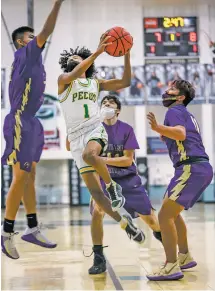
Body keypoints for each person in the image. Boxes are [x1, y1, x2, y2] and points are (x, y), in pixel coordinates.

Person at [60, 40, 145, 250]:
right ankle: (125, 223)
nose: (74, 60)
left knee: (91, 155)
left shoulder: (95, 83)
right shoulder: (64, 81)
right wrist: (97, 51)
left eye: (78, 58)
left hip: (94, 129)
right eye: (71, 59)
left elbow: (125, 81)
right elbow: (73, 73)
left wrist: (126, 54)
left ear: (87, 65)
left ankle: (112, 186)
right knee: (97, 197)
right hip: (76, 136)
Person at [1, 0, 66, 260]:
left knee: (30, 176)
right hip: (19, 120)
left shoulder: (34, 60)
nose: (37, 38)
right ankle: (6, 233)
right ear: (21, 42)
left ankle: (31, 227)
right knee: (20, 176)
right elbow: (47, 30)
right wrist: (57, 4)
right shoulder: (25, 54)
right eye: (31, 36)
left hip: (32, 121)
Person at [146, 79, 213, 281]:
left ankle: (171, 265)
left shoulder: (174, 110)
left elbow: (181, 134)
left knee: (164, 216)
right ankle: (184, 256)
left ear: (181, 97)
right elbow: (183, 135)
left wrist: (158, 127)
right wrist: (166, 134)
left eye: (172, 89)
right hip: (197, 167)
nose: (166, 91)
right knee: (172, 213)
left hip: (190, 167)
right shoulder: (186, 114)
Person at [88, 95, 162, 275]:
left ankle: (172, 250)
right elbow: (87, 158)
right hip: (105, 181)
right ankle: (98, 256)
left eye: (110, 102)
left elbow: (128, 160)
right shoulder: (94, 131)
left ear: (118, 110)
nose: (106, 104)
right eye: (104, 102)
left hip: (128, 179)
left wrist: (101, 160)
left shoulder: (126, 129)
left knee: (152, 220)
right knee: (97, 212)